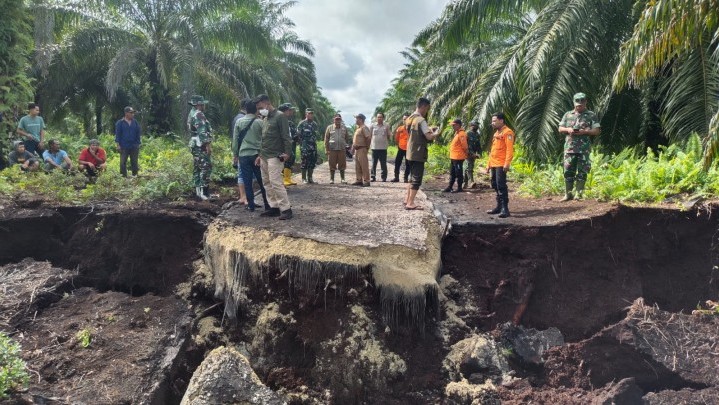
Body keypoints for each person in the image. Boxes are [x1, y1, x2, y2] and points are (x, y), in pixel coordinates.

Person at [254, 94, 293, 220]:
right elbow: (263, 139)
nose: (259, 111)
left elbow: (286, 136)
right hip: (264, 155)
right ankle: (274, 207)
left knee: (276, 182)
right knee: (266, 182)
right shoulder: (265, 118)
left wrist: (287, 153)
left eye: (260, 107)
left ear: (266, 103)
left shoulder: (280, 116)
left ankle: (286, 209)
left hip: (275, 155)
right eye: (258, 109)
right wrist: (260, 155)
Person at [558, 92, 601, 200]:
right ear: (574, 102)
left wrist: (585, 132)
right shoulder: (568, 115)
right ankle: (568, 194)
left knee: (582, 170)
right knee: (568, 170)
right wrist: (568, 129)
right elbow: (560, 128)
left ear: (586, 102)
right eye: (577, 103)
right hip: (569, 148)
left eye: (582, 103)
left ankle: (579, 194)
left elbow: (596, 131)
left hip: (584, 149)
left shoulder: (591, 115)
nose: (579, 105)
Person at [404, 97, 439, 210]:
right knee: (416, 178)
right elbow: (428, 136)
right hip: (418, 152)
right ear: (423, 106)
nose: (427, 111)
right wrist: (436, 133)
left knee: (411, 177)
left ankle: (407, 200)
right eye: (427, 108)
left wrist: (428, 129)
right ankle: (410, 203)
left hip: (410, 151)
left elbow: (415, 132)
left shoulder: (410, 118)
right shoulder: (421, 120)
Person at [236, 100, 271, 212]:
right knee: (262, 180)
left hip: (243, 155)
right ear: (256, 110)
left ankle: (250, 205)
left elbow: (235, 140)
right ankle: (267, 204)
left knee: (247, 180)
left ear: (245, 110)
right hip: (257, 155)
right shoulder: (260, 122)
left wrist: (235, 155)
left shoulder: (239, 122)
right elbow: (265, 139)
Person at [486, 112, 515, 218]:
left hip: (501, 164)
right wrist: (488, 164)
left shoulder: (508, 132)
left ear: (501, 120)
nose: (492, 123)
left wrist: (507, 163)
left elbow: (509, 149)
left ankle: (505, 209)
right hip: (494, 163)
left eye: (494, 121)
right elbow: (493, 150)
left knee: (501, 185)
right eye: (492, 121)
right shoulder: (496, 133)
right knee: (494, 184)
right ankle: (498, 206)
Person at [189, 97, 213, 200]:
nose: (204, 106)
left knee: (197, 168)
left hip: (195, 144)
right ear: (199, 104)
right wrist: (207, 145)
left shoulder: (192, 113)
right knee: (205, 167)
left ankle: (198, 192)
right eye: (203, 104)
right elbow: (202, 131)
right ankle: (204, 193)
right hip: (200, 145)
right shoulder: (198, 114)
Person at [232, 99, 250, 205]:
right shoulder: (242, 119)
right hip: (243, 151)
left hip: (240, 150)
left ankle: (244, 196)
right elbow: (237, 138)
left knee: (242, 174)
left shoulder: (237, 118)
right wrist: (236, 154)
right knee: (243, 174)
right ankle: (244, 197)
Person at [324, 113, 351, 184]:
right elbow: (326, 139)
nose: (338, 121)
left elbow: (347, 138)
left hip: (342, 149)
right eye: (336, 119)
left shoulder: (344, 128)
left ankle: (342, 179)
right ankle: (332, 179)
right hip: (332, 149)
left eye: (339, 119)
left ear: (341, 120)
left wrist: (345, 145)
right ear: (334, 120)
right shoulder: (329, 128)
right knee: (332, 164)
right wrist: (326, 149)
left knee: (342, 165)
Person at [114, 106, 141, 177]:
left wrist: (138, 144)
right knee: (123, 162)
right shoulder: (120, 123)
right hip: (123, 145)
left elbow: (138, 133)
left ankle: (135, 176)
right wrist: (118, 145)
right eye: (131, 113)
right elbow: (118, 134)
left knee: (134, 162)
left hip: (134, 145)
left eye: (133, 113)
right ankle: (123, 177)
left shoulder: (135, 122)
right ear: (126, 113)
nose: (133, 114)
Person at [444, 119, 468, 193]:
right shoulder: (457, 133)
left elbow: (464, 146)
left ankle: (459, 188)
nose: (453, 126)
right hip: (454, 157)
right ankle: (450, 187)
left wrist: (467, 153)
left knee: (458, 172)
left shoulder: (461, 134)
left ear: (458, 125)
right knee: (452, 172)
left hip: (458, 157)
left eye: (454, 125)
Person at [279, 103, 299, 186]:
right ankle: (283, 180)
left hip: (291, 144)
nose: (291, 112)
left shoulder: (289, 122)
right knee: (283, 161)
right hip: (283, 145)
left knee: (291, 159)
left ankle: (288, 178)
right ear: (284, 111)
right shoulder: (279, 120)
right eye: (289, 110)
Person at [297, 108, 319, 184]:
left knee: (312, 162)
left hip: (313, 146)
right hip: (305, 147)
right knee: (304, 162)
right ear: (306, 114)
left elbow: (316, 136)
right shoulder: (302, 123)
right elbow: (298, 135)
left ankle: (310, 178)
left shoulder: (314, 124)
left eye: (312, 114)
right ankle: (303, 179)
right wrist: (302, 146)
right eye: (309, 114)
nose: (310, 115)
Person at [369, 112, 391, 182]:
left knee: (383, 163)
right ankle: (373, 176)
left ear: (383, 118)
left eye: (381, 117)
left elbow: (388, 135)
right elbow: (370, 136)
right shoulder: (372, 125)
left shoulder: (386, 125)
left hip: (383, 148)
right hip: (374, 148)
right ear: (376, 118)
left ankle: (384, 177)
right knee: (373, 163)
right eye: (378, 117)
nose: (379, 118)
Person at [351, 113, 372, 186]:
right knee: (358, 166)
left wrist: (367, 147)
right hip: (357, 149)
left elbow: (368, 138)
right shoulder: (358, 128)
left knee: (364, 165)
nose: (356, 120)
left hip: (362, 148)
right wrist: (353, 148)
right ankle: (359, 180)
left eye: (357, 118)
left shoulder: (364, 127)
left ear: (361, 119)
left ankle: (366, 181)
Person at [391, 113, 410, 183]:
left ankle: (406, 178)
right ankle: (396, 177)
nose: (405, 120)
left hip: (409, 149)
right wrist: (398, 144)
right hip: (401, 148)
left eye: (407, 119)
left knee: (408, 164)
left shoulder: (412, 129)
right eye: (404, 119)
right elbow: (396, 137)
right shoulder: (400, 128)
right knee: (397, 163)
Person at [464, 121, 482, 189]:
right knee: (469, 168)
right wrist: (472, 153)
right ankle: (471, 182)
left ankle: (464, 184)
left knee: (468, 168)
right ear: (470, 126)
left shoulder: (477, 134)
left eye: (477, 125)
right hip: (468, 153)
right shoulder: (467, 134)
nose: (476, 127)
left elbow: (478, 145)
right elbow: (467, 145)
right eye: (474, 125)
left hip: (474, 154)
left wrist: (479, 153)